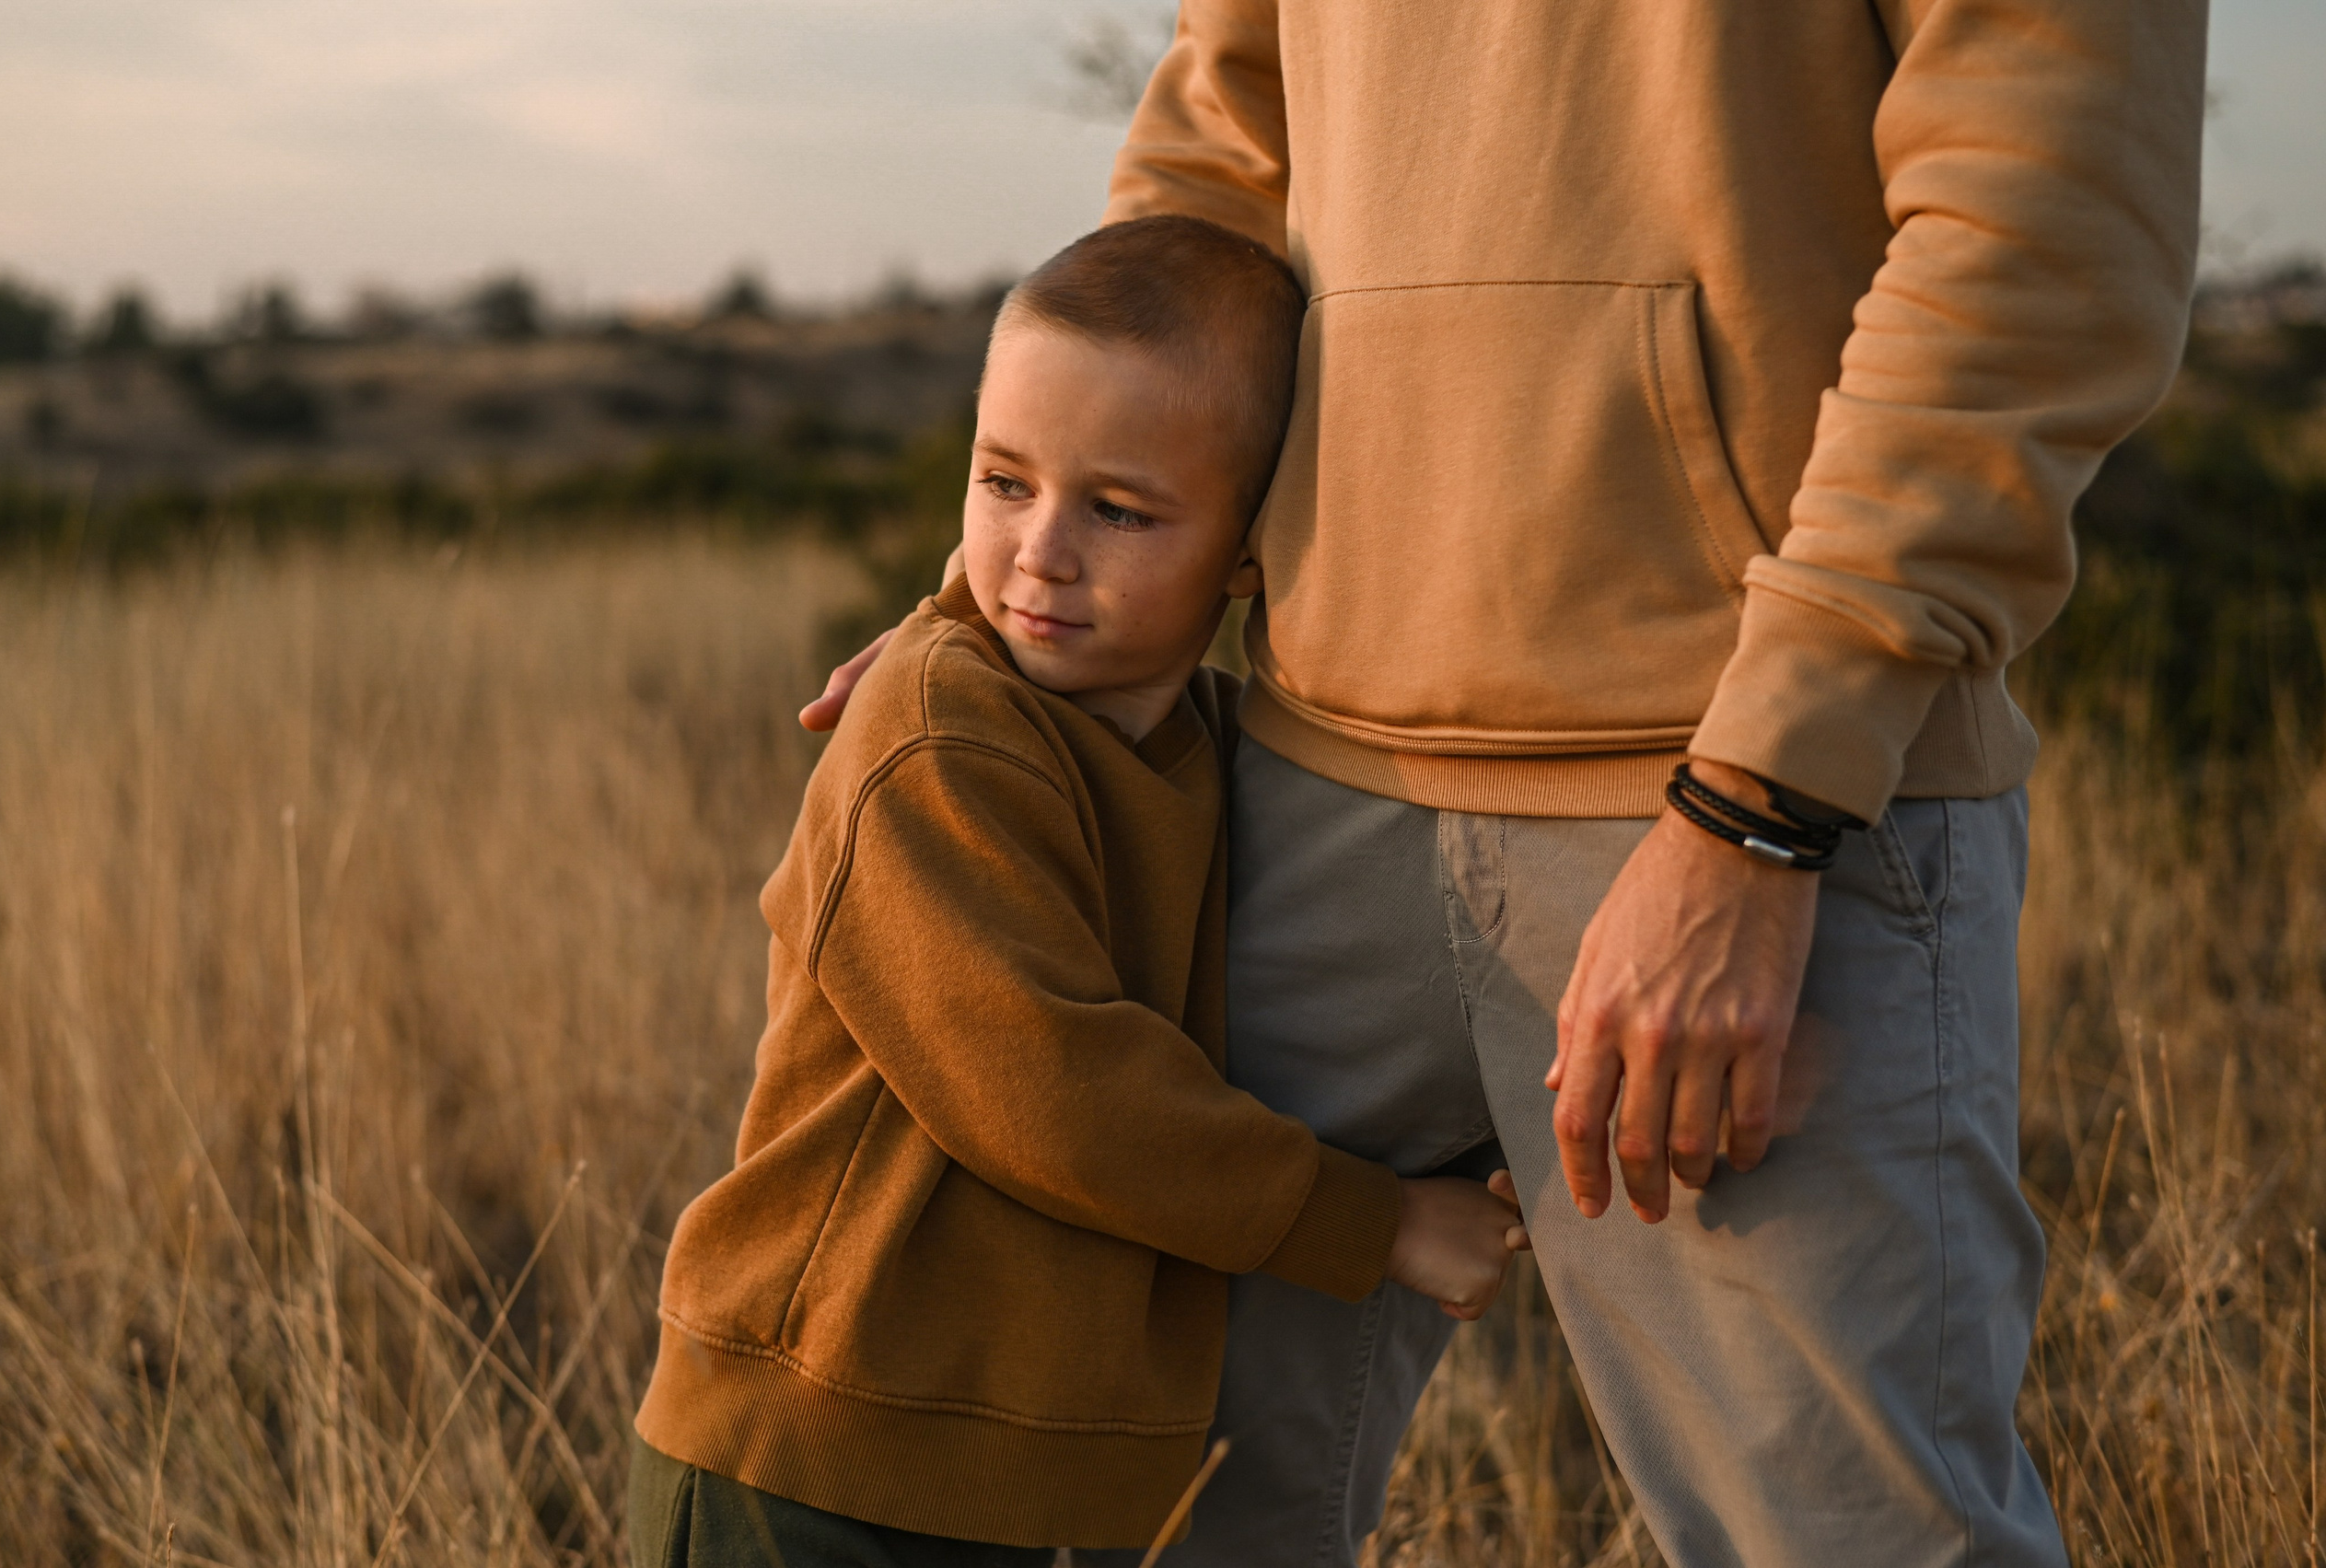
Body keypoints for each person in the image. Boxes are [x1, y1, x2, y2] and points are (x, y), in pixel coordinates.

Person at [805, 3, 2208, 1562]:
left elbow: (2040, 226)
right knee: (1158, 1516)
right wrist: (993, 598)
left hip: (1735, 808)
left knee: (1845, 1536)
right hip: (1295, 781)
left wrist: (1764, 793)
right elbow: (1217, 162)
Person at [629, 215, 1529, 1565]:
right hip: (813, 1448)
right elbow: (1050, 1088)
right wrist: (1377, 1221)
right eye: (1003, 483)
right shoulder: (938, 730)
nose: (1041, 553)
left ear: (1248, 554)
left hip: (993, 1475)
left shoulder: (1205, 749)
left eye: (1117, 510)